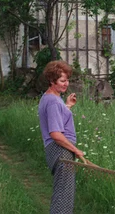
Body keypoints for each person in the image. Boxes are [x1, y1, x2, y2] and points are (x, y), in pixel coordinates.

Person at [38, 60, 85, 214]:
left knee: (63, 193)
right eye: (62, 81)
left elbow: (57, 118)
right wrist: (75, 150)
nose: (66, 84)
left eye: (67, 80)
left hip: (59, 150)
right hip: (61, 151)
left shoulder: (51, 98)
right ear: (52, 81)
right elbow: (56, 134)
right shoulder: (52, 101)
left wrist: (67, 106)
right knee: (63, 196)